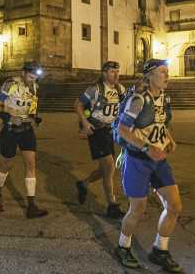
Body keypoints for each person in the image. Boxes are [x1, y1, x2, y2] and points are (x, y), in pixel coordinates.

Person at [113, 59, 183, 273]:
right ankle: (123, 246)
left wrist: (168, 138)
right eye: (163, 72)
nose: (167, 75)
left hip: (158, 160)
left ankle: (160, 250)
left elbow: (160, 123)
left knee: (174, 206)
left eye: (168, 72)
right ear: (150, 75)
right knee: (137, 209)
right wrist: (146, 148)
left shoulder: (163, 97)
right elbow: (122, 130)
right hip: (137, 160)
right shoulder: (138, 100)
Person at [0, 61, 48, 218]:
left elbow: (32, 104)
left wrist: (35, 117)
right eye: (30, 77)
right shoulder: (10, 85)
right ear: (23, 73)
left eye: (35, 78)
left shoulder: (34, 87)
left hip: (26, 129)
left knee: (31, 163)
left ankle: (31, 206)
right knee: (7, 165)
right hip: (9, 130)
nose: (32, 80)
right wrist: (8, 117)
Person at [73, 60, 125, 219]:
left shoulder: (120, 89)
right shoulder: (95, 89)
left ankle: (84, 184)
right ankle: (112, 204)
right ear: (104, 73)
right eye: (112, 72)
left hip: (110, 131)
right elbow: (78, 104)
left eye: (117, 71)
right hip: (97, 130)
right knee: (109, 167)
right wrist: (85, 122)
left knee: (105, 169)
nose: (116, 74)